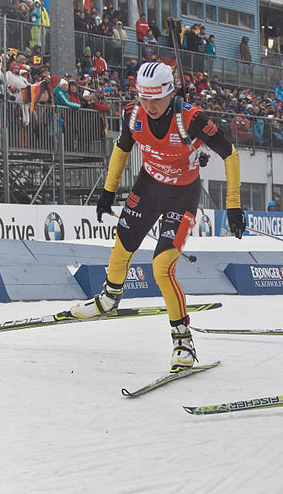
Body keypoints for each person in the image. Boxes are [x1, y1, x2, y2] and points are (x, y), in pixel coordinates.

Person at [70, 62, 246, 373]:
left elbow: (229, 152)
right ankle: (110, 296)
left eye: (156, 99)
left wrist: (233, 205)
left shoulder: (190, 118)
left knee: (162, 267)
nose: (149, 106)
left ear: (170, 93)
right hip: (149, 185)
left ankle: (183, 341)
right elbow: (121, 149)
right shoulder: (133, 114)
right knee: (122, 244)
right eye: (143, 98)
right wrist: (108, 192)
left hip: (182, 194)